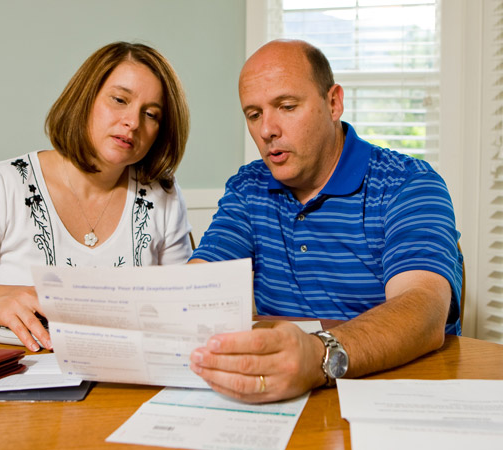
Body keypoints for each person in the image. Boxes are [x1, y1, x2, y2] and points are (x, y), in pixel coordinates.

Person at [188, 40, 463, 403]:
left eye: (286, 107)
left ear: (333, 103)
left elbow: (424, 310)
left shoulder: (408, 184)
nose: (267, 129)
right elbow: (198, 284)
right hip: (277, 394)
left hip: (390, 394)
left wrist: (319, 357)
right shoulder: (248, 187)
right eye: (254, 115)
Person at [0, 42, 193, 351]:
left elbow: (185, 311)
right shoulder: (0, 186)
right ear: (84, 100)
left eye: (152, 114)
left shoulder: (163, 194)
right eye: (119, 99)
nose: (133, 122)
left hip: (129, 388)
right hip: (21, 386)